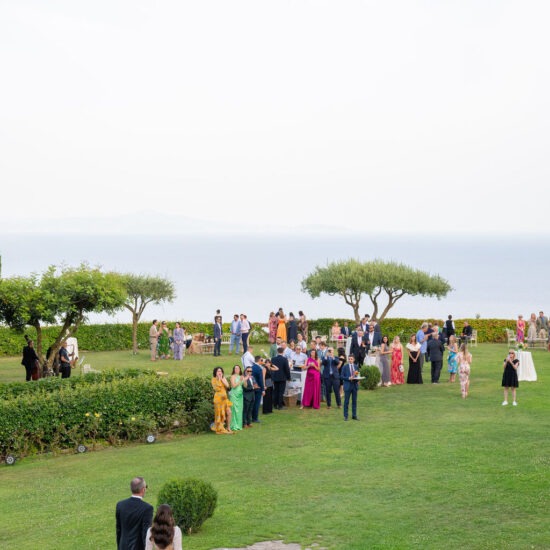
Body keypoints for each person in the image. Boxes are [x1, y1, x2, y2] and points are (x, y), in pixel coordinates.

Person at [116, 476, 154, 550]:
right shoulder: (147, 508)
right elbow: (146, 533)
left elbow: (119, 530)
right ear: (143, 489)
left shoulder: (120, 505)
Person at [211, 367, 233, 434]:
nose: (219, 372)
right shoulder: (213, 380)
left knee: (229, 412)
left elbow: (228, 387)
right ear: (215, 372)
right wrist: (219, 380)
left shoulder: (224, 378)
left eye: (220, 371)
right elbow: (217, 389)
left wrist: (223, 380)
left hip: (225, 400)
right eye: (218, 371)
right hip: (218, 400)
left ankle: (228, 427)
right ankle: (220, 428)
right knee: (219, 414)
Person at [341, 355, 360, 421]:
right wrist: (348, 378)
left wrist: (358, 379)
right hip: (347, 386)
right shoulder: (345, 367)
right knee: (346, 401)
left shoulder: (356, 366)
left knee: (354, 401)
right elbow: (341, 376)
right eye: (349, 359)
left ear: (353, 360)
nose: (350, 360)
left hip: (354, 386)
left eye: (351, 359)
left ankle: (354, 415)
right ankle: (345, 416)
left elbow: (357, 375)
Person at [229, 365, 244, 431]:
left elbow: (245, 385)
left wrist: (245, 379)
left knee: (239, 410)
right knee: (234, 410)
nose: (236, 369)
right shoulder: (232, 376)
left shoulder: (240, 376)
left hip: (240, 395)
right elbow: (233, 386)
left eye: (238, 368)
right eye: (235, 368)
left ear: (240, 370)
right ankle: (233, 425)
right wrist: (240, 381)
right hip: (234, 395)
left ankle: (239, 425)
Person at [251, 356, 265, 422]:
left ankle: (251, 416)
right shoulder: (259, 369)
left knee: (252, 403)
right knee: (257, 403)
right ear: (259, 360)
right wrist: (263, 389)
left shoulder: (251, 367)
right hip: (258, 388)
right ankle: (255, 418)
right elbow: (260, 380)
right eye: (261, 360)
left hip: (251, 388)